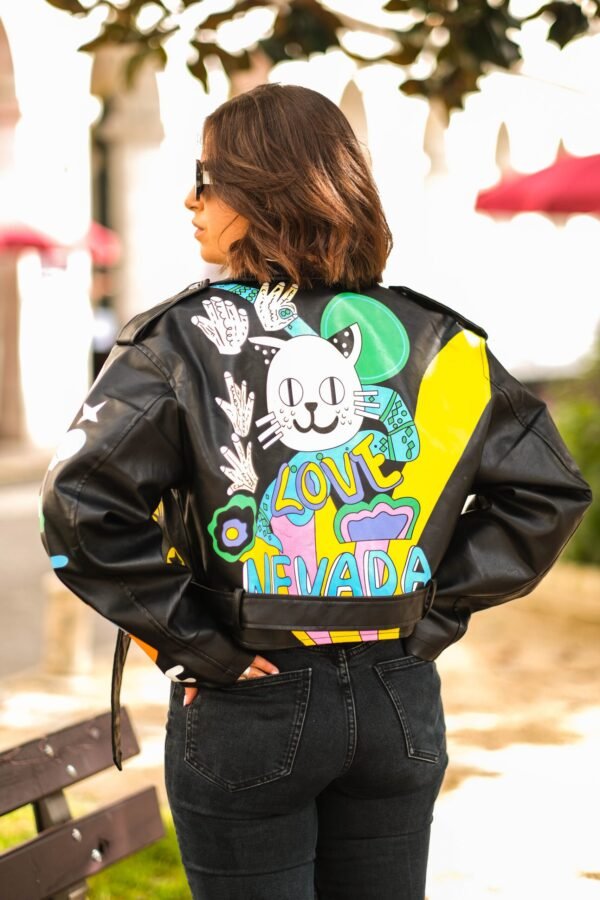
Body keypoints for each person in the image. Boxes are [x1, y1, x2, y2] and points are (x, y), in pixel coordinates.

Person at [40, 83, 591, 900]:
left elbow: (78, 508)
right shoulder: (441, 340)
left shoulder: (180, 340)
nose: (191, 199)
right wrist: (428, 612)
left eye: (206, 177)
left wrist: (198, 645)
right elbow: (546, 494)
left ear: (263, 191)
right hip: (398, 695)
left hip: (247, 698)